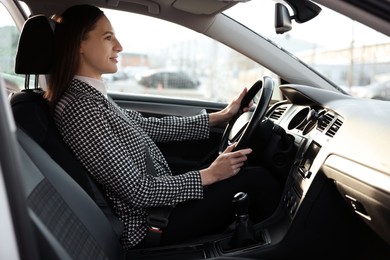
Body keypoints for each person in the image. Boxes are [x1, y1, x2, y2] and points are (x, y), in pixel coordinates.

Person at [45, 4, 281, 249]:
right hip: (151, 223)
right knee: (258, 181)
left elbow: (149, 128)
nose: (119, 46)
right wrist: (210, 175)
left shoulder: (91, 96)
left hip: (162, 205)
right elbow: (138, 190)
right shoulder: (80, 108)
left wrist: (222, 116)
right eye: (108, 37)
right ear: (79, 45)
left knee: (246, 173)